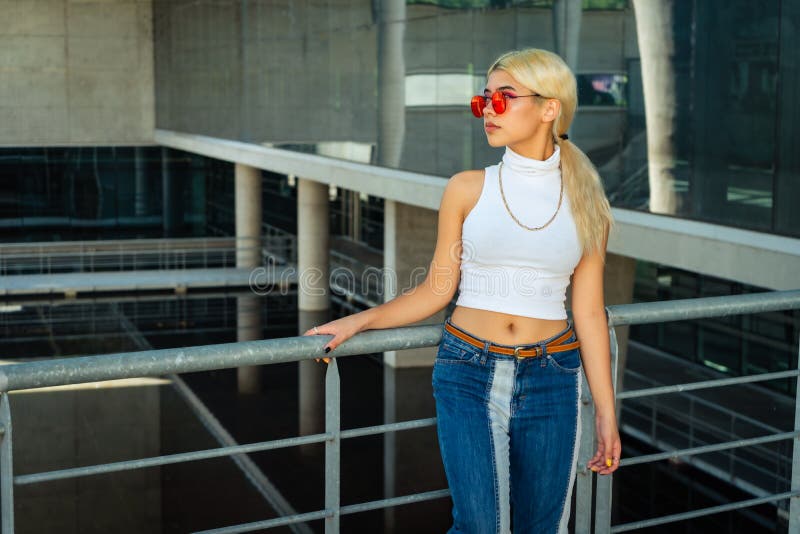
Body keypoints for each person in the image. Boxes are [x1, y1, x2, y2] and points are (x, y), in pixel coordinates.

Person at [303, 48, 621, 534]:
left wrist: (605, 411)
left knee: (544, 527)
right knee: (479, 526)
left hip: (553, 375)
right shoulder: (467, 189)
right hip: (468, 371)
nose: (488, 110)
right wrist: (359, 320)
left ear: (549, 107)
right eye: (484, 100)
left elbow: (590, 313)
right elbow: (437, 289)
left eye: (504, 98)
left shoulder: (586, 201)